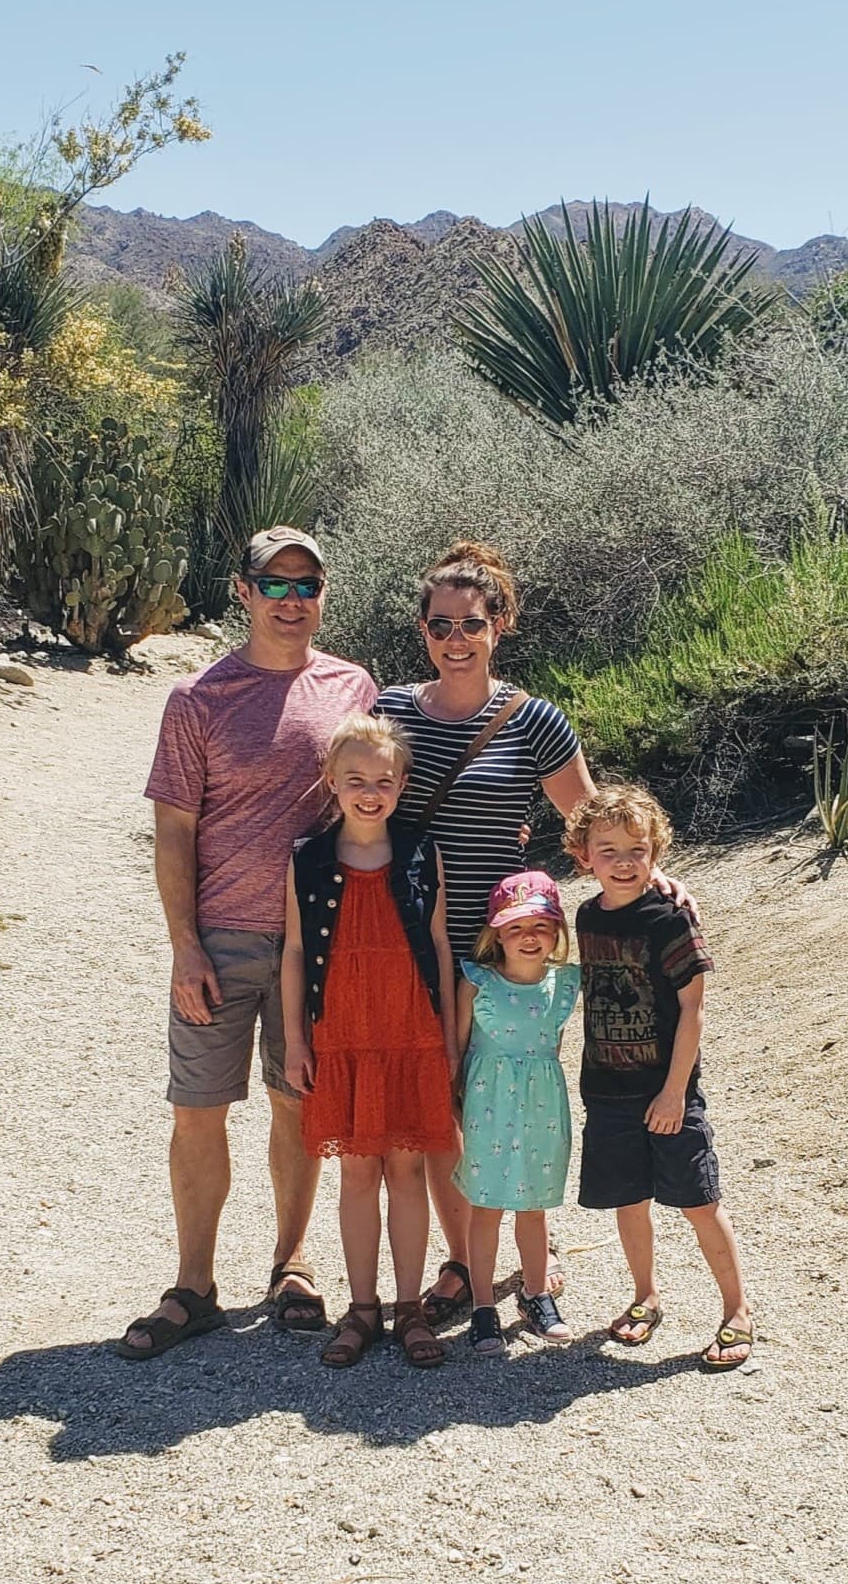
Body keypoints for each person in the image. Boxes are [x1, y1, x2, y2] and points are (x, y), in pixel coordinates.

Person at [123, 528, 377, 1360]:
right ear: (244, 592)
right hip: (222, 938)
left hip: (322, 938)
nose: (293, 599)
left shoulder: (351, 686)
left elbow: (376, 798)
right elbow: (173, 831)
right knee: (198, 1110)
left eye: (308, 584)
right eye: (277, 584)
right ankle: (193, 1285)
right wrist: (183, 945)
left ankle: (291, 1264)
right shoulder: (199, 698)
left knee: (298, 1104)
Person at [372, 544, 590, 1326]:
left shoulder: (533, 718)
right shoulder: (392, 709)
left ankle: (527, 1240)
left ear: (501, 625)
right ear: (422, 630)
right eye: (441, 625)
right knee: (441, 1109)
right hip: (409, 943)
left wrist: (650, 877)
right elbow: (355, 801)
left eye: (473, 622)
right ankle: (468, 1259)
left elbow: (584, 820)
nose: (455, 638)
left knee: (504, 1097)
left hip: (505, 953)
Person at [281, 714, 460, 1370]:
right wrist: (297, 1038)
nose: (369, 791)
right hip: (343, 1034)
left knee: (408, 1166)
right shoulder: (308, 859)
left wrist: (446, 1034)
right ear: (331, 780)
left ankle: (410, 1308)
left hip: (410, 1031)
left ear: (402, 783)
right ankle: (362, 1309)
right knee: (357, 1171)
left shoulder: (421, 851)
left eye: (383, 780)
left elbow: (438, 943)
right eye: (355, 779)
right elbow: (296, 951)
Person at [563, 783, 753, 1371]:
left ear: (656, 854)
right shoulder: (587, 915)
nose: (623, 862)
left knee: (699, 1201)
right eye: (608, 849)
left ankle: (737, 1311)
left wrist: (675, 1091)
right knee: (629, 1200)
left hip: (666, 1091)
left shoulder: (669, 919)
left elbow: (693, 1008)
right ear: (583, 855)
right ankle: (646, 1295)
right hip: (607, 1089)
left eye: (637, 850)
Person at [454, 871, 580, 1355]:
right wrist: (454, 1099)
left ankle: (536, 1292)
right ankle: (483, 1306)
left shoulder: (565, 984)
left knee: (534, 1206)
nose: (529, 937)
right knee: (485, 1206)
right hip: (488, 1105)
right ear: (496, 935)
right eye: (515, 928)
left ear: (557, 932)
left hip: (543, 1106)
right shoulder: (477, 982)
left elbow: (555, 1045)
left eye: (541, 926)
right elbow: (458, 1048)